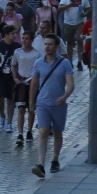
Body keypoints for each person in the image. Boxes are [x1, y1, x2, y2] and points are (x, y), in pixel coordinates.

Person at [29, 34, 74, 179]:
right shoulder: (38, 63)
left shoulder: (65, 63)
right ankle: (41, 164)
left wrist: (64, 97)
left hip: (58, 104)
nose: (47, 46)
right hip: (42, 103)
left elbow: (71, 84)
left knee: (57, 132)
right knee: (43, 131)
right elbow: (34, 83)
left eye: (50, 44)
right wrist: (31, 102)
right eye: (45, 44)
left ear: (56, 47)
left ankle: (55, 159)